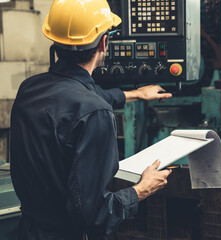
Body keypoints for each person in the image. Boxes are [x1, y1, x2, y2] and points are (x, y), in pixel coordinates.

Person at [10, 0, 173, 239]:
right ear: (104, 42)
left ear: (55, 42)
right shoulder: (94, 112)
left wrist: (135, 94)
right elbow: (95, 217)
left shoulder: (30, 88)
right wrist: (140, 190)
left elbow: (82, 96)